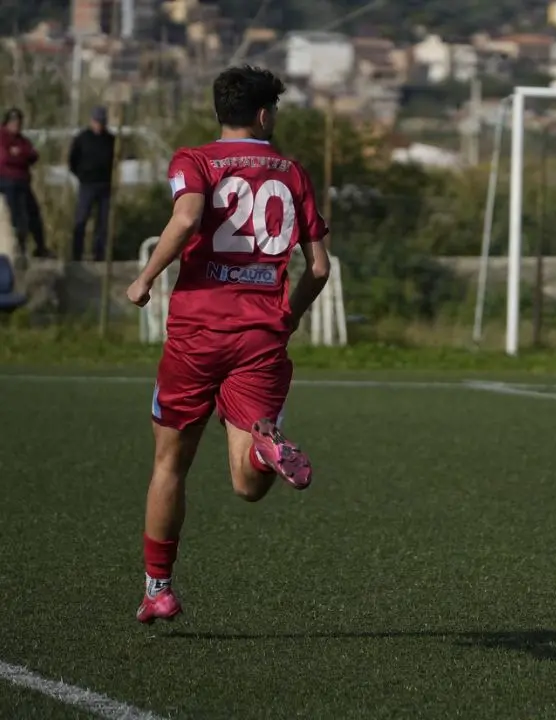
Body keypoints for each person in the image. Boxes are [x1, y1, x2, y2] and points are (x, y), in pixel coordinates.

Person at [125, 66, 331, 624]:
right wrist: (287, 316)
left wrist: (145, 278)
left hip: (197, 335)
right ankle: (266, 447)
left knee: (170, 464)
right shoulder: (293, 173)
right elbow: (318, 266)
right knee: (245, 484)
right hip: (261, 337)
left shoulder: (193, 160)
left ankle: (158, 589)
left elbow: (188, 216)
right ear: (265, 114)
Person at [0, 108, 51, 258]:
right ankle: (19, 249)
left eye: (18, 122)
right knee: (16, 217)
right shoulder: (2, 137)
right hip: (7, 182)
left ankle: (40, 247)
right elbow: (6, 159)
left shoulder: (22, 140)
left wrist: (20, 154)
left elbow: (33, 155)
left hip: (23, 181)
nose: (16, 125)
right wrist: (21, 156)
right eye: (13, 122)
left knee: (33, 214)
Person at [69, 106, 116, 261]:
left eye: (102, 122)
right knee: (81, 219)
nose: (99, 125)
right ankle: (76, 254)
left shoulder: (110, 139)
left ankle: (99, 254)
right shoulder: (82, 138)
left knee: (102, 223)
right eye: (97, 121)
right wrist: (81, 175)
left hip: (105, 185)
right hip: (87, 184)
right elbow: (72, 160)